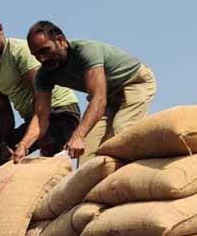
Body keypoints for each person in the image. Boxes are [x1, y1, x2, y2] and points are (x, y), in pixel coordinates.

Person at [12, 20, 157, 162]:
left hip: (133, 82)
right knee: (86, 154)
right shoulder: (44, 75)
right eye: (36, 55)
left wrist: (78, 135)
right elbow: (40, 118)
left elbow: (98, 99)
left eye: (45, 50)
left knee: (119, 133)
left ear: (60, 40)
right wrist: (24, 144)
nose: (42, 59)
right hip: (108, 96)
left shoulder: (86, 51)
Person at [0, 12, 82, 176]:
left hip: (58, 113)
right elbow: (4, 112)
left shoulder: (19, 51)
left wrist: (37, 135)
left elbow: (40, 94)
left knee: (51, 167)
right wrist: (4, 144)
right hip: (33, 121)